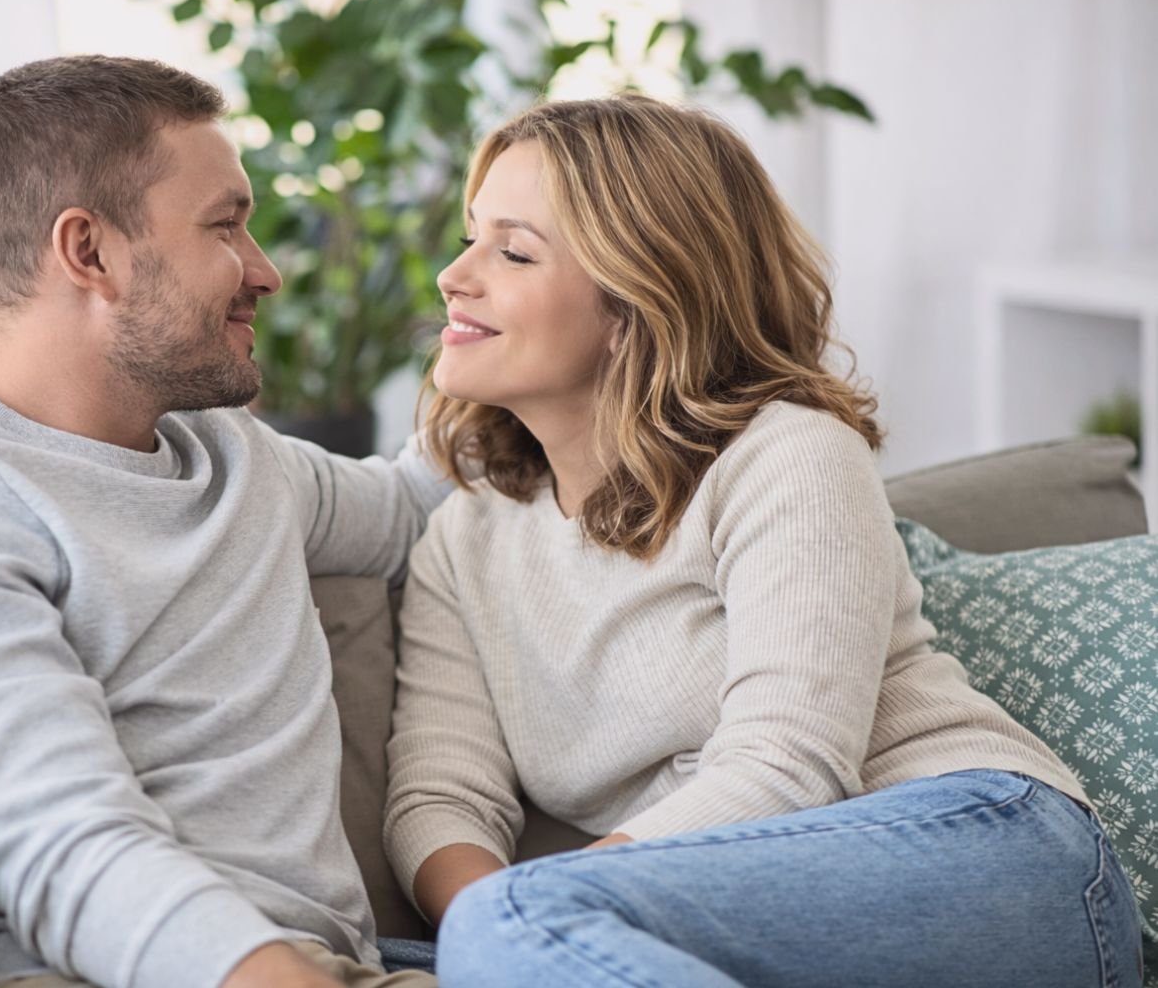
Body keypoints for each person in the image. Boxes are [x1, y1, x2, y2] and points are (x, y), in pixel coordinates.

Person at [383, 94, 1145, 988]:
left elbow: (790, 763)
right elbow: (441, 799)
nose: (454, 276)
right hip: (716, 907)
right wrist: (501, 934)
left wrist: (530, 914)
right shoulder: (464, 536)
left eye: (512, 251)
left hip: (990, 851)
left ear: (639, 300)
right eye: (471, 237)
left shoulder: (786, 455)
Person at [0, 56, 444, 988]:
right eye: (227, 226)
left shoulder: (235, 456)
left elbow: (420, 510)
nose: (266, 272)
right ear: (88, 251)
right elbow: (60, 846)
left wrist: (522, 358)